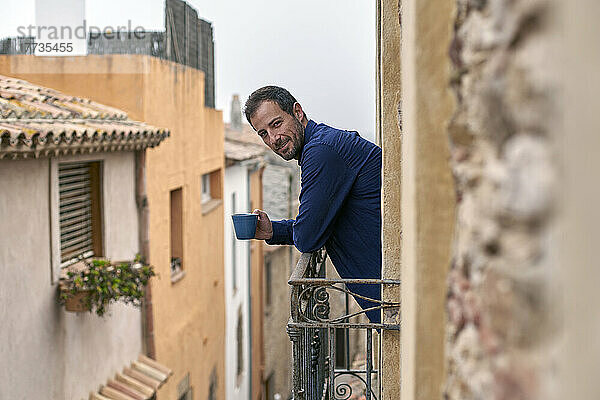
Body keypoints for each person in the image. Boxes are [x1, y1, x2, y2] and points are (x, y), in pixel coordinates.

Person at [244, 86, 382, 323]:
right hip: (393, 295)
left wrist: (298, 230)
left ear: (297, 112)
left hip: (398, 297)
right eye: (263, 134)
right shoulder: (321, 145)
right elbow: (318, 222)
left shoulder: (321, 152)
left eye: (276, 124)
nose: (273, 139)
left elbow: (308, 237)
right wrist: (273, 231)